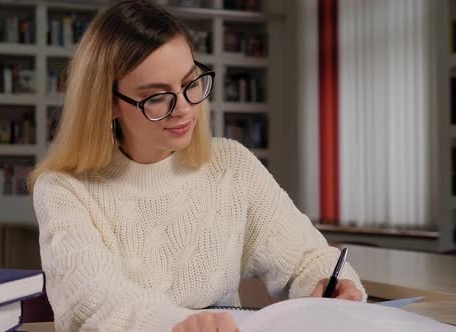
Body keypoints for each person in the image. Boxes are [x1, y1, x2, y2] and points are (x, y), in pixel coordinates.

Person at [28, 1, 366, 331]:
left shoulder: (230, 164)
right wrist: (183, 325)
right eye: (157, 96)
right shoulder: (63, 188)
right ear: (108, 103)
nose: (185, 109)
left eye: (190, 83)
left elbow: (306, 258)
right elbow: (95, 306)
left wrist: (332, 285)